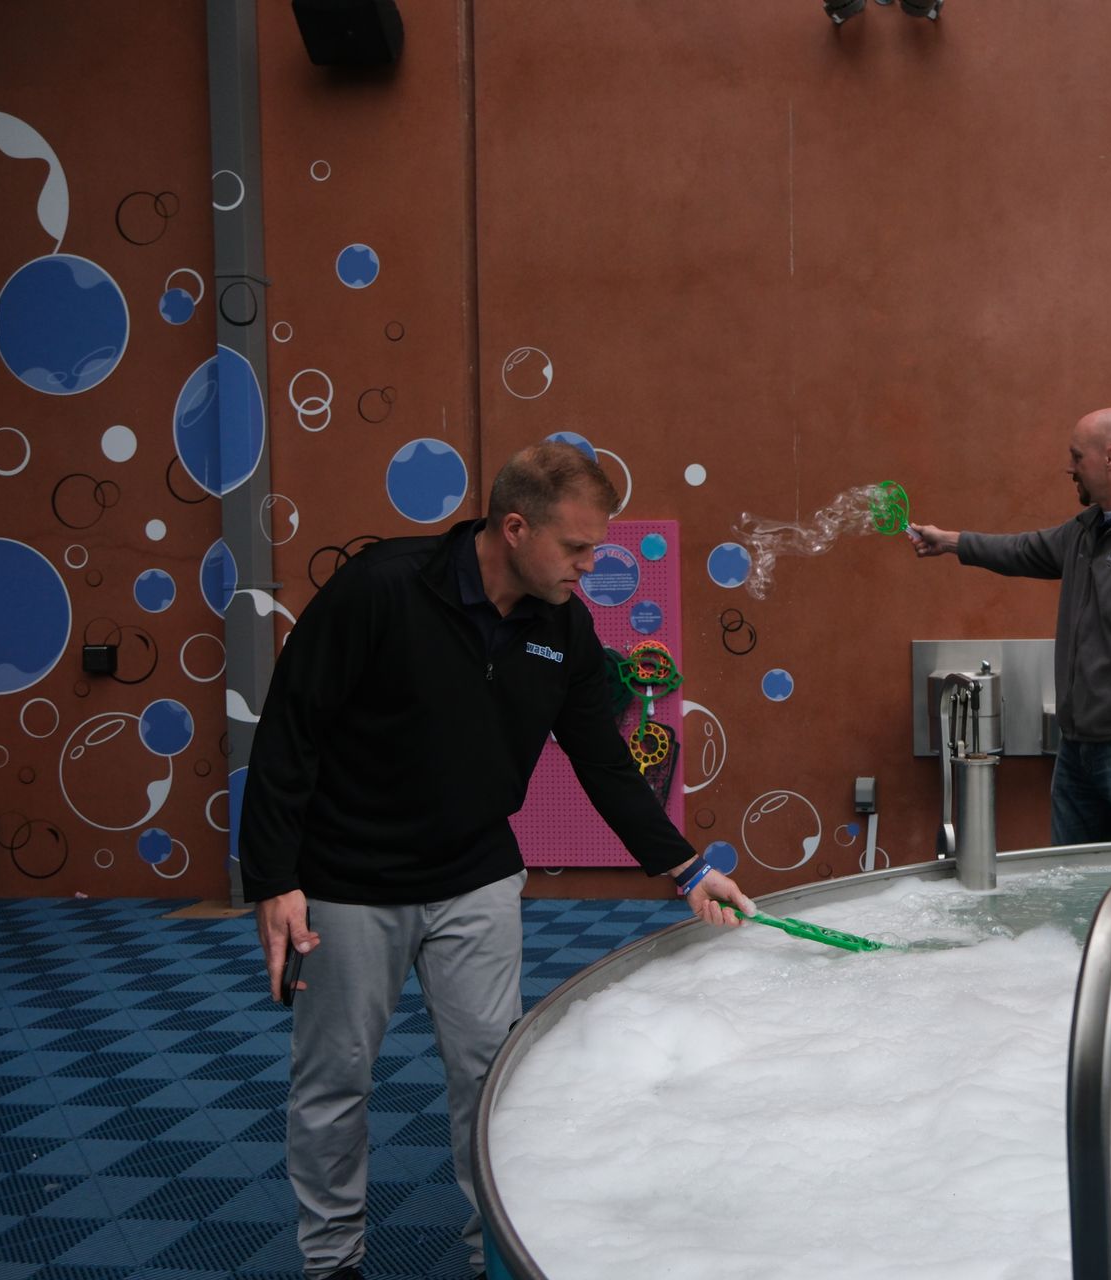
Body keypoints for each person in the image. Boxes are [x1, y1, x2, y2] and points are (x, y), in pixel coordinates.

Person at [239, 441, 753, 1280]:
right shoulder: (381, 591)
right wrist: (274, 879)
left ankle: (497, 1258)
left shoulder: (564, 628)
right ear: (514, 528)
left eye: (598, 550)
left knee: (492, 1083)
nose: (589, 568)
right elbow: (292, 729)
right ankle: (331, 1262)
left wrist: (686, 868)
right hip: (347, 884)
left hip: (475, 877)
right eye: (576, 549)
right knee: (334, 1083)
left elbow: (604, 762)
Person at [910, 406, 1111, 845]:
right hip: (1077, 749)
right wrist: (950, 543)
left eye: (1077, 457)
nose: (1069, 468)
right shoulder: (1086, 532)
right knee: (1072, 883)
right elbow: (1022, 550)